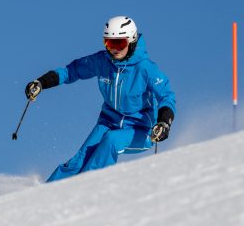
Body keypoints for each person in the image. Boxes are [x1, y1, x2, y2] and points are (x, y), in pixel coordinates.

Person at [25, 16, 176, 182]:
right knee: (78, 161)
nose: (114, 49)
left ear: (131, 41)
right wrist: (41, 82)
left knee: (111, 142)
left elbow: (166, 95)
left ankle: (87, 186)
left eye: (120, 43)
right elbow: (72, 71)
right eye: (110, 43)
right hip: (108, 122)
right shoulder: (103, 61)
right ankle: (47, 191)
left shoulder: (145, 68)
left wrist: (164, 123)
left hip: (141, 129)